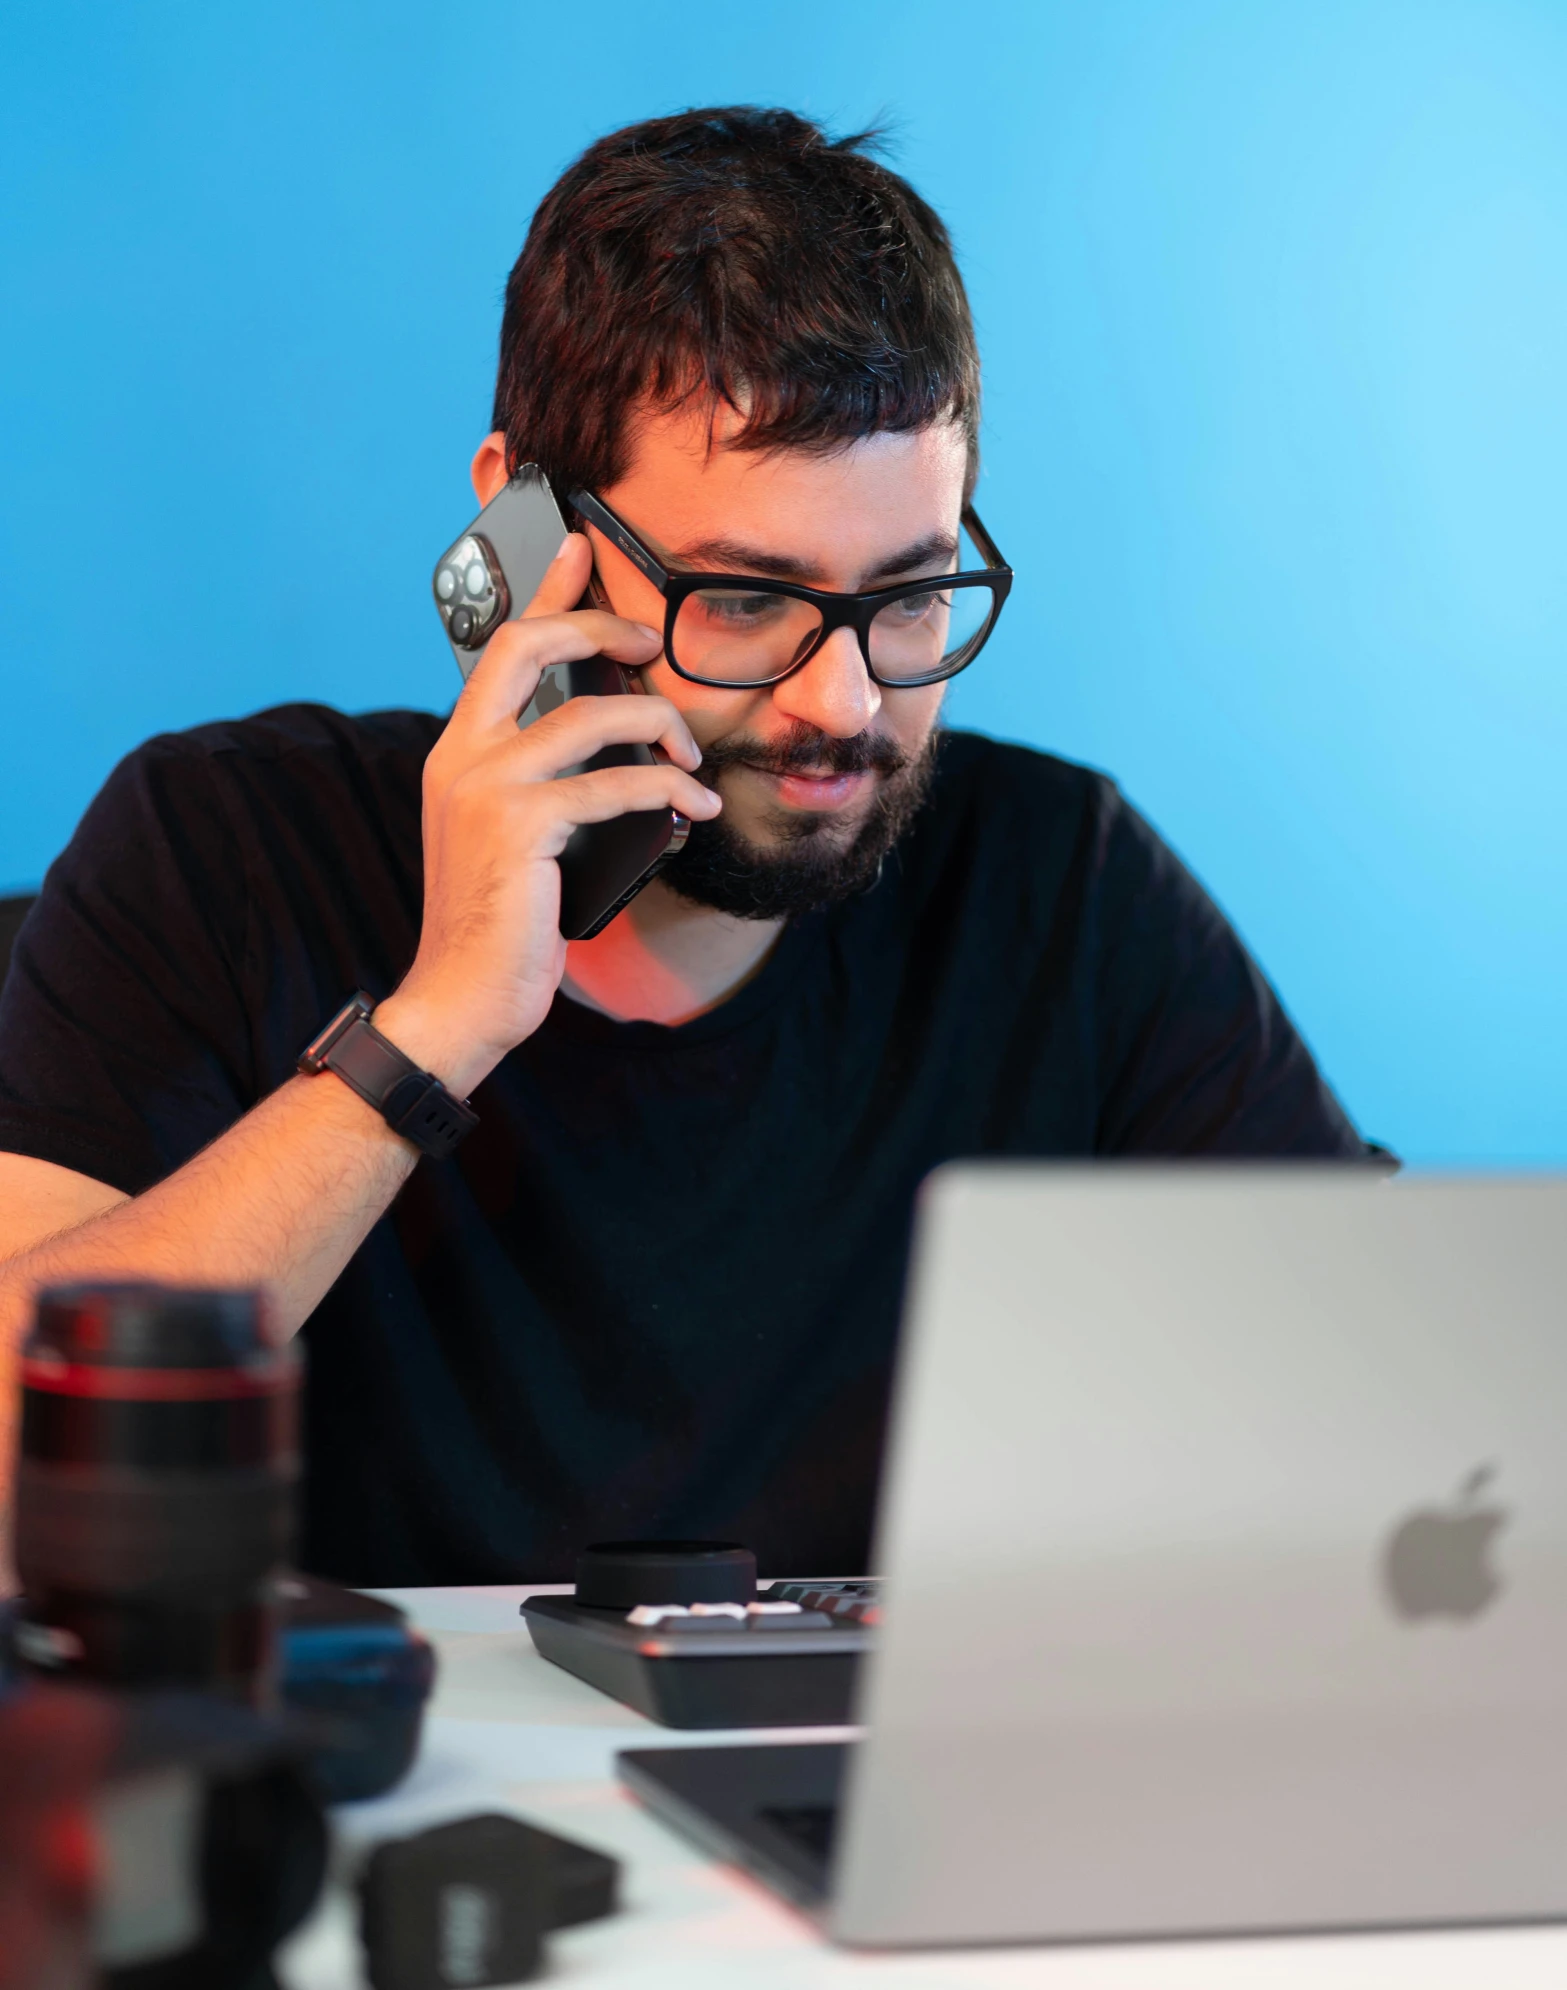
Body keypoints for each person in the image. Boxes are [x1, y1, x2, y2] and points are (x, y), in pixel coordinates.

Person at [0, 107, 1378, 1586]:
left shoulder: (1063, 884)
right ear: (524, 532)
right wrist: (436, 1029)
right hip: (383, 1800)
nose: (839, 702)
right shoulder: (224, 850)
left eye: (909, 594)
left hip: (852, 1793)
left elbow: (1399, 1421)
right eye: (738, 599)